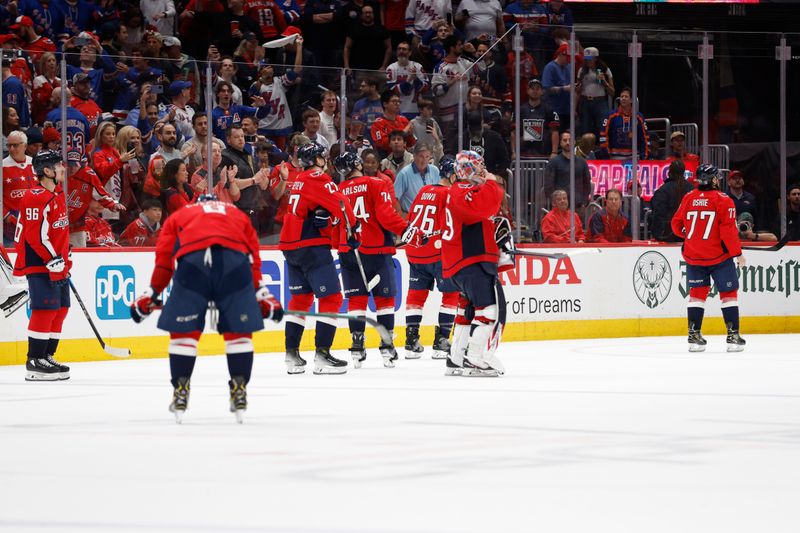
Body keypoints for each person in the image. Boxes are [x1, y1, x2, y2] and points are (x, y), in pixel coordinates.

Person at [131, 195, 283, 423]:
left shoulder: (181, 214)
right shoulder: (236, 214)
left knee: (183, 335)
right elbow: (253, 260)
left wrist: (151, 293)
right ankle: (239, 387)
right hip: (234, 263)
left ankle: (181, 389)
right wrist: (263, 296)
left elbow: (165, 261)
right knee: (239, 335)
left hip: (193, 264)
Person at [278, 142, 358, 375]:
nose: (325, 161)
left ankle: (291, 356)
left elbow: (314, 209)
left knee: (300, 300)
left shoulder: (300, 178)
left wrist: (328, 219)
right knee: (332, 298)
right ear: (318, 159)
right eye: (323, 157)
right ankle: (322, 356)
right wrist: (353, 228)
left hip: (290, 246)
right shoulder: (317, 176)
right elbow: (342, 205)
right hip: (311, 246)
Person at [333, 151, 411, 368]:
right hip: (375, 249)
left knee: (356, 300)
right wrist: (406, 229)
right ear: (357, 164)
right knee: (384, 301)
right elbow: (386, 216)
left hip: (348, 250)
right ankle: (387, 348)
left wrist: (339, 245)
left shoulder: (338, 190)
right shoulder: (376, 183)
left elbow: (336, 223)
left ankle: (357, 347)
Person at [440, 150, 506, 377]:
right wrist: (492, 182)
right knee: (488, 310)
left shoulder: (457, 191)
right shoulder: (462, 191)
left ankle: (456, 358)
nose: (482, 169)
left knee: (467, 310)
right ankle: (475, 358)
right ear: (468, 170)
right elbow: (486, 206)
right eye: (478, 166)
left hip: (463, 261)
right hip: (471, 259)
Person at [671, 164, 746, 353]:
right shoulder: (723, 199)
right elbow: (728, 231)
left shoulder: (688, 197)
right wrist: (737, 253)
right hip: (718, 257)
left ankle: (694, 337)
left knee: (697, 295)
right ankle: (733, 336)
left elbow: (676, 224)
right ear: (712, 179)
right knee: (728, 295)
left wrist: (689, 235)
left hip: (694, 255)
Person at [13, 150, 71, 381]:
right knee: (44, 309)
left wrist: (65, 257)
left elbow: (57, 232)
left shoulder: (56, 193)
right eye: (59, 166)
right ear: (47, 171)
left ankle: (47, 355)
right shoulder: (36, 196)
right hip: (40, 262)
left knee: (61, 309)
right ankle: (34, 360)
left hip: (57, 263)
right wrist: (52, 259)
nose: (63, 169)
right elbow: (35, 236)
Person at [403, 156, 460, 360]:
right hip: (438, 252)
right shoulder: (450, 194)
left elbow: (410, 220)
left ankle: (411, 342)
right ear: (452, 176)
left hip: (415, 249)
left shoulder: (423, 190)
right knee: (451, 295)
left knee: (416, 296)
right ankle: (441, 342)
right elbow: (452, 225)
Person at [543, 131, 592, 214]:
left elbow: (587, 183)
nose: (568, 143)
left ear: (574, 142)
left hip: (578, 207)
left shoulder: (582, 162)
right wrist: (555, 203)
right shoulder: (553, 162)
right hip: (559, 206)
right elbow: (548, 186)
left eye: (570, 140)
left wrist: (584, 202)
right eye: (565, 140)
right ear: (560, 143)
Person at [2, 131, 36, 245]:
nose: (11, 149)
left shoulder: (35, 164)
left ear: (25, 146)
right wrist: (7, 216)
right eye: (9, 145)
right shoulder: (2, 166)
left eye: (15, 145)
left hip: (35, 223)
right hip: (11, 229)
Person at [726, 170, 777, 242]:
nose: (737, 180)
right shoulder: (724, 198)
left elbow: (757, 217)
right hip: (730, 234)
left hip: (748, 234)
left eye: (740, 178)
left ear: (743, 181)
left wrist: (754, 234)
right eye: (734, 178)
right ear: (729, 182)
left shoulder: (751, 198)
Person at [599, 87, 649, 160]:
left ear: (631, 100)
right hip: (614, 158)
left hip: (635, 158)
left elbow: (645, 138)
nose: (623, 98)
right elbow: (603, 135)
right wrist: (607, 155)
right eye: (622, 96)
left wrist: (644, 157)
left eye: (626, 97)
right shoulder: (610, 116)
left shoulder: (639, 117)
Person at [650, 159, 694, 242]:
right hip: (689, 233)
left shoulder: (663, 190)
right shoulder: (692, 189)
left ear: (669, 172)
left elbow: (658, 214)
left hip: (668, 234)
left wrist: (657, 234)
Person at [516, 78, 560, 159]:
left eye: (537, 88)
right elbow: (513, 132)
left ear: (542, 91)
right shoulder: (520, 110)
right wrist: (513, 152)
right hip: (524, 154)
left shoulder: (549, 110)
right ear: (527, 91)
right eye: (532, 88)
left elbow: (555, 131)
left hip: (544, 154)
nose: (535, 91)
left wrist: (554, 152)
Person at [394, 143, 440, 215]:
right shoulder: (404, 174)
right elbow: (394, 198)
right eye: (421, 156)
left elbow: (439, 193)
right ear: (414, 156)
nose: (424, 160)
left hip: (431, 216)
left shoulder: (435, 170)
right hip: (411, 217)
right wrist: (402, 217)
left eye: (427, 156)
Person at [386, 41, 428, 118]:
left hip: (415, 110)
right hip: (398, 111)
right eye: (399, 49)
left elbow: (425, 89)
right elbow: (392, 91)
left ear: (410, 53)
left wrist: (415, 79)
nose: (401, 51)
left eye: (404, 49)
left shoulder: (418, 66)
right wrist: (409, 80)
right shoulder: (391, 68)